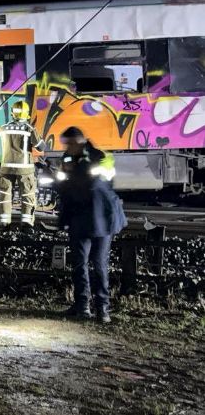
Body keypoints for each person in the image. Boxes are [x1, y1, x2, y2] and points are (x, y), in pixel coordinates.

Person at [55, 126, 125, 324]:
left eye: (68, 144)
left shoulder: (100, 157)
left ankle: (102, 309)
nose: (66, 148)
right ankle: (82, 306)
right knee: (79, 263)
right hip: (81, 218)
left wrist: (68, 179)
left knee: (99, 264)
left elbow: (93, 185)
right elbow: (66, 185)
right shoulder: (68, 158)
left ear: (79, 141)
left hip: (100, 218)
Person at [0, 101, 45, 228]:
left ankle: (4, 223)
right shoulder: (29, 129)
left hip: (6, 168)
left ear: (13, 113)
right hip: (25, 169)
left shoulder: (4, 128)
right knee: (27, 195)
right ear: (27, 114)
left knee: (5, 195)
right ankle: (26, 224)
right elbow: (40, 147)